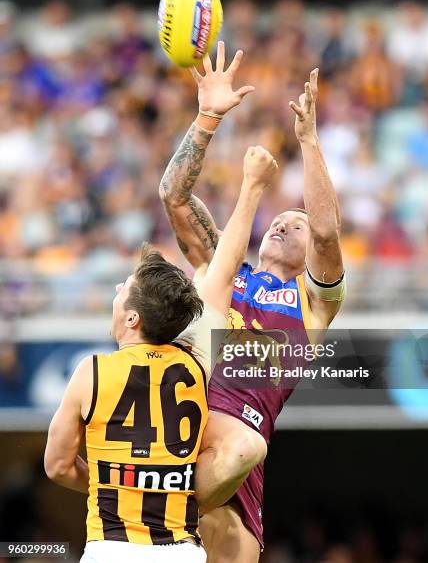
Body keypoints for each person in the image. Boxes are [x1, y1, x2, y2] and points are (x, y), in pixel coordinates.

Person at [44, 144, 278, 563]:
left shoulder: (92, 372)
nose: (117, 291)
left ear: (132, 318)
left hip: (110, 548)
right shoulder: (194, 363)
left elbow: (58, 467)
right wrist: (253, 187)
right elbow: (224, 271)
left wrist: (113, 483)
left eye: (124, 290)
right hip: (180, 550)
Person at [159, 42, 345, 562]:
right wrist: (207, 117)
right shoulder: (225, 267)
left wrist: (308, 140)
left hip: (234, 460)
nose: (287, 220)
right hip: (181, 422)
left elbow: (328, 233)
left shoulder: (312, 303)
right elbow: (173, 197)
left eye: (298, 223)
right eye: (281, 218)